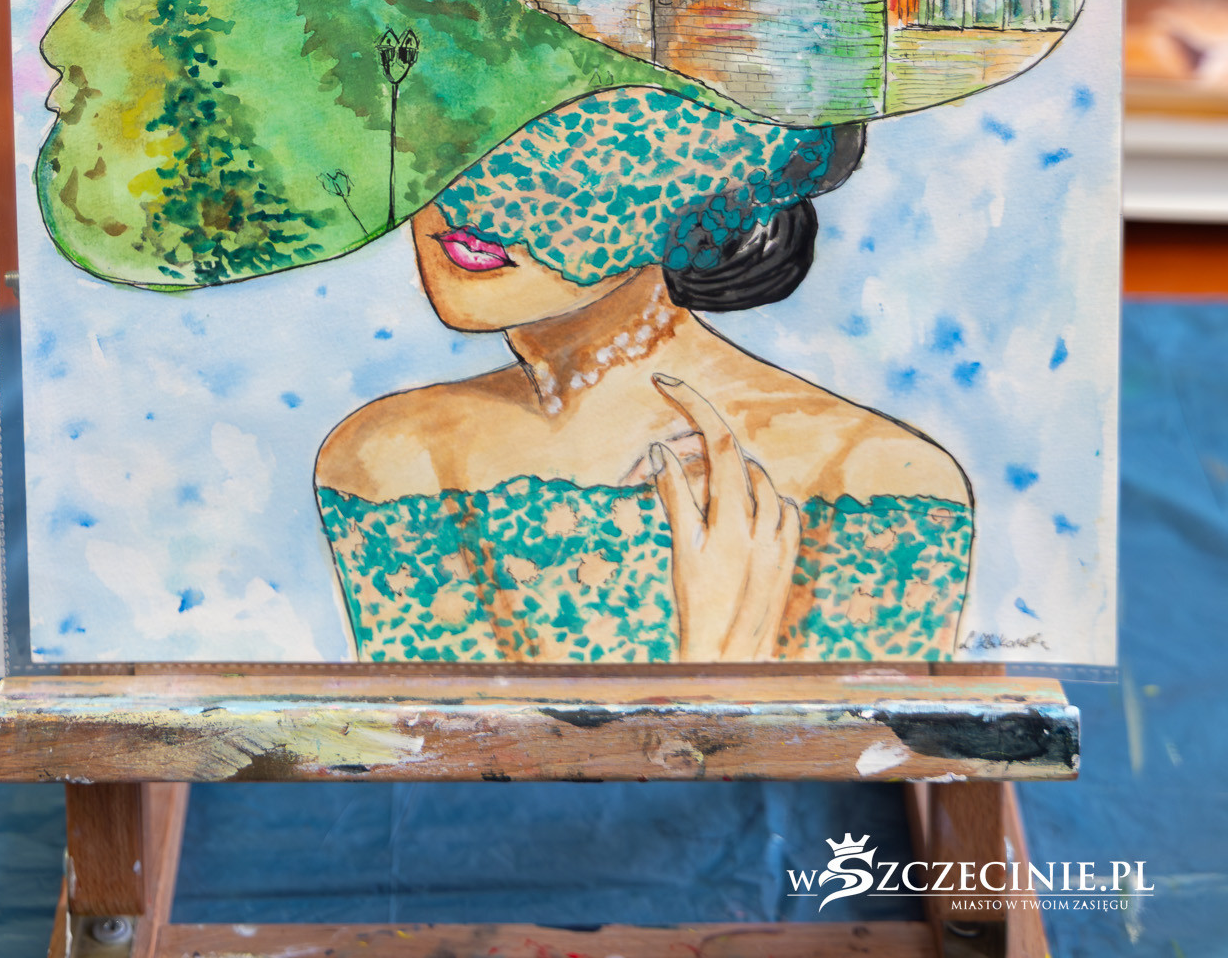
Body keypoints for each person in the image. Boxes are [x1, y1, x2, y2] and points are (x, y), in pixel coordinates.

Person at [316, 86, 972, 664]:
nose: (480, 196)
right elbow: (441, 746)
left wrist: (720, 674)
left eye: (558, 143)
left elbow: (859, 746)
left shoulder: (874, 478)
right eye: (450, 120)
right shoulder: (390, 458)